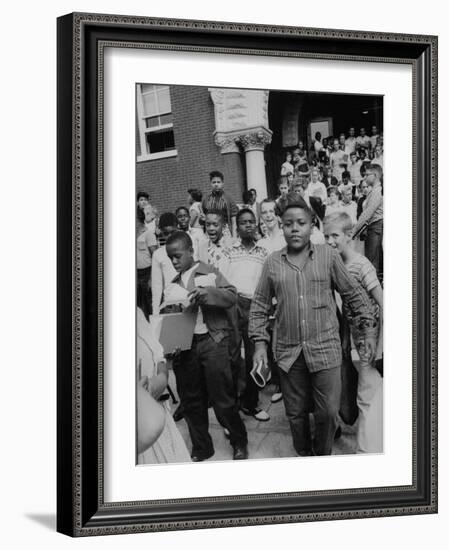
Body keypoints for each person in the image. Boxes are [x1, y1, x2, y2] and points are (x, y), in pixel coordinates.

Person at [248, 203, 377, 456]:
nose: (294, 229)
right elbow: (260, 305)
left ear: (311, 226)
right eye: (288, 224)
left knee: (328, 412)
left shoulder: (327, 257)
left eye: (301, 223)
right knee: (295, 415)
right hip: (288, 352)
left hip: (325, 349)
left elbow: (354, 294)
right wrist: (260, 345)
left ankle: (322, 455)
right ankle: (304, 455)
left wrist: (369, 331)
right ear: (281, 227)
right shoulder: (273, 263)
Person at [165, 231, 248, 461]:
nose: (174, 261)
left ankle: (239, 441)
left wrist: (207, 293)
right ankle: (202, 447)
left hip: (213, 341)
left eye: (178, 256)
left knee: (223, 398)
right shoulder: (173, 284)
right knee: (191, 400)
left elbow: (231, 295)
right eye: (170, 257)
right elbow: (171, 319)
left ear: (191, 251)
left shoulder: (208, 271)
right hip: (186, 346)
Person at [323, 212, 383, 453]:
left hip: (371, 341)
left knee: (366, 397)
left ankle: (365, 451)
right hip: (354, 340)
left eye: (335, 235)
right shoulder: (337, 264)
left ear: (349, 235)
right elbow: (347, 307)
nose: (330, 241)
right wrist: (346, 340)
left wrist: (379, 350)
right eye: (326, 236)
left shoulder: (361, 264)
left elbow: (383, 302)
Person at [224, 208, 270, 421]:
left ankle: (251, 403)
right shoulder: (229, 250)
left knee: (255, 356)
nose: (248, 225)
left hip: (255, 306)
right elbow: (223, 279)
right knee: (233, 356)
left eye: (252, 221)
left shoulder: (263, 251)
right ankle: (233, 404)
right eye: (243, 222)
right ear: (237, 226)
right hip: (234, 305)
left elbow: (267, 281)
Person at [136, 308, 191, 463]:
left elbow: (159, 357)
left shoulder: (137, 313)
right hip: (142, 428)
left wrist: (160, 380)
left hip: (162, 414)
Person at [352, 164, 383, 275]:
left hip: (375, 227)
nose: (364, 177)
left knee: (373, 264)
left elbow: (367, 214)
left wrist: (354, 230)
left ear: (374, 175)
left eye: (367, 175)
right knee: (372, 262)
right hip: (371, 228)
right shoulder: (373, 191)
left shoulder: (377, 192)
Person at [151, 212, 178, 314]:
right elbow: (157, 286)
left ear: (177, 228)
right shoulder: (158, 254)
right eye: (166, 233)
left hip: (190, 302)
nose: (170, 236)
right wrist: (155, 313)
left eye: (173, 232)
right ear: (161, 232)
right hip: (170, 305)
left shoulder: (188, 248)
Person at [202, 170, 239, 242]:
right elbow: (204, 216)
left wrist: (234, 236)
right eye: (214, 182)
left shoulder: (229, 198)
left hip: (225, 230)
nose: (216, 184)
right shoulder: (206, 199)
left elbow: (233, 219)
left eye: (218, 182)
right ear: (210, 184)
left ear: (222, 183)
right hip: (210, 229)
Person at [136, 207, 158, 319]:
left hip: (147, 273)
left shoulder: (148, 234)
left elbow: (155, 256)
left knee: (149, 304)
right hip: (136, 274)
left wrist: (151, 278)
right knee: (139, 306)